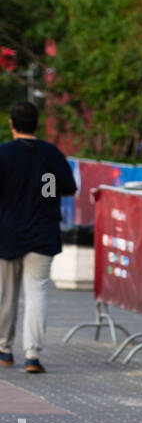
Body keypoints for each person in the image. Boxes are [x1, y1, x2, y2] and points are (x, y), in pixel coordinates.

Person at [0, 102, 77, 374]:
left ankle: (4, 350)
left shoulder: (4, 153)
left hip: (7, 233)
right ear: (37, 123)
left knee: (6, 294)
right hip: (43, 233)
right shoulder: (51, 154)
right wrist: (45, 188)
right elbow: (68, 187)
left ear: (11, 123)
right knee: (37, 293)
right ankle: (32, 356)